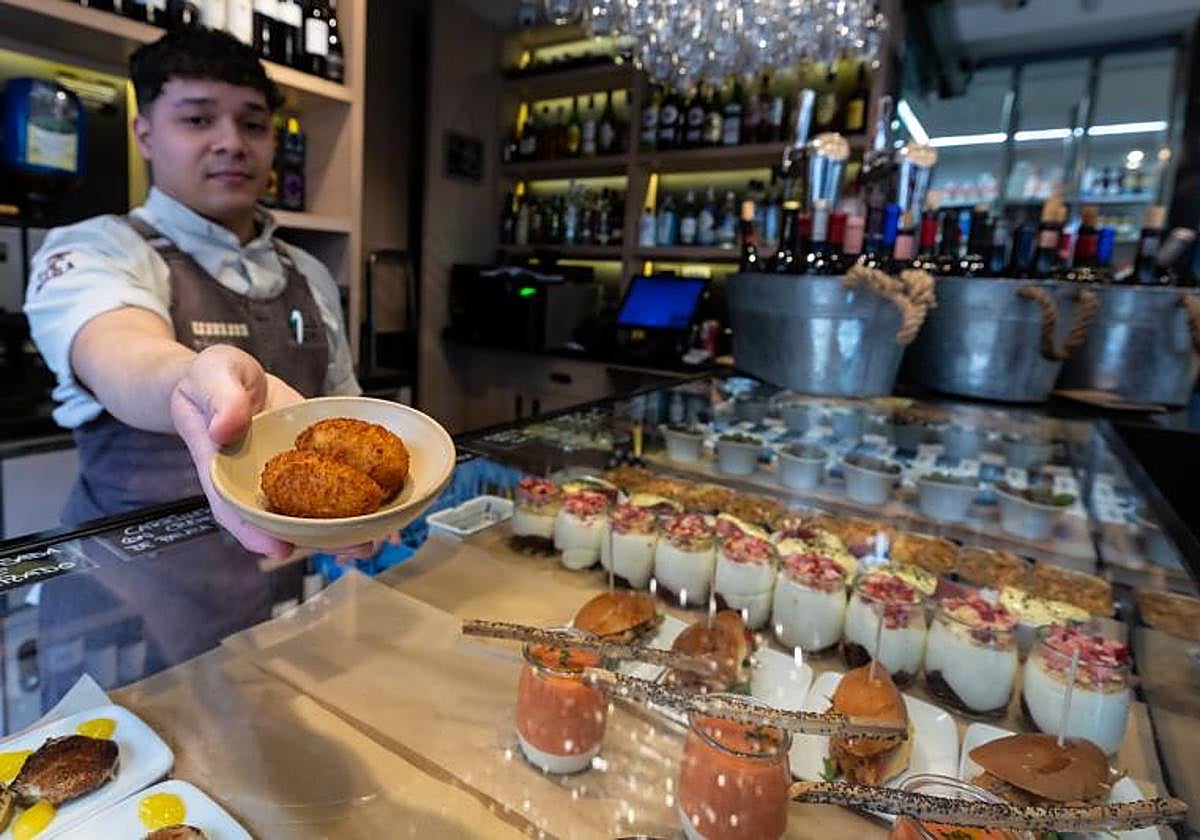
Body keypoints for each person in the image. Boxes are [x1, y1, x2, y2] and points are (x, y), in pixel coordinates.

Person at [23, 29, 364, 704]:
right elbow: (121, 349)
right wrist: (188, 381)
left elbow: (342, 415)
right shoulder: (96, 250)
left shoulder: (311, 276)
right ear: (145, 131)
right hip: (127, 615)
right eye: (199, 118)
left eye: (253, 123)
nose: (232, 142)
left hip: (281, 605)